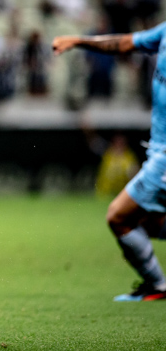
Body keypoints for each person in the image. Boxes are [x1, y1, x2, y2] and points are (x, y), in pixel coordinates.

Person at [53, 25, 166, 301]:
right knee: (147, 222)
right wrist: (79, 40)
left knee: (119, 217)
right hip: (158, 151)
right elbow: (125, 43)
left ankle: (158, 286)